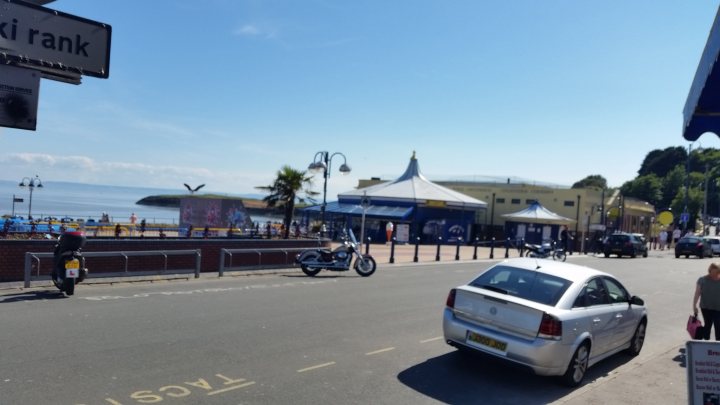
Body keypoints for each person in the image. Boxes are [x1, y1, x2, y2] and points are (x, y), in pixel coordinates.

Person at [693, 262, 720, 340]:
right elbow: (697, 293)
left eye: (716, 274)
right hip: (706, 307)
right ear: (709, 271)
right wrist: (694, 305)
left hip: (718, 309)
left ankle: (718, 346)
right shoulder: (702, 280)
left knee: (718, 327)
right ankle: (706, 344)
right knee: (707, 326)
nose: (714, 276)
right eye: (712, 273)